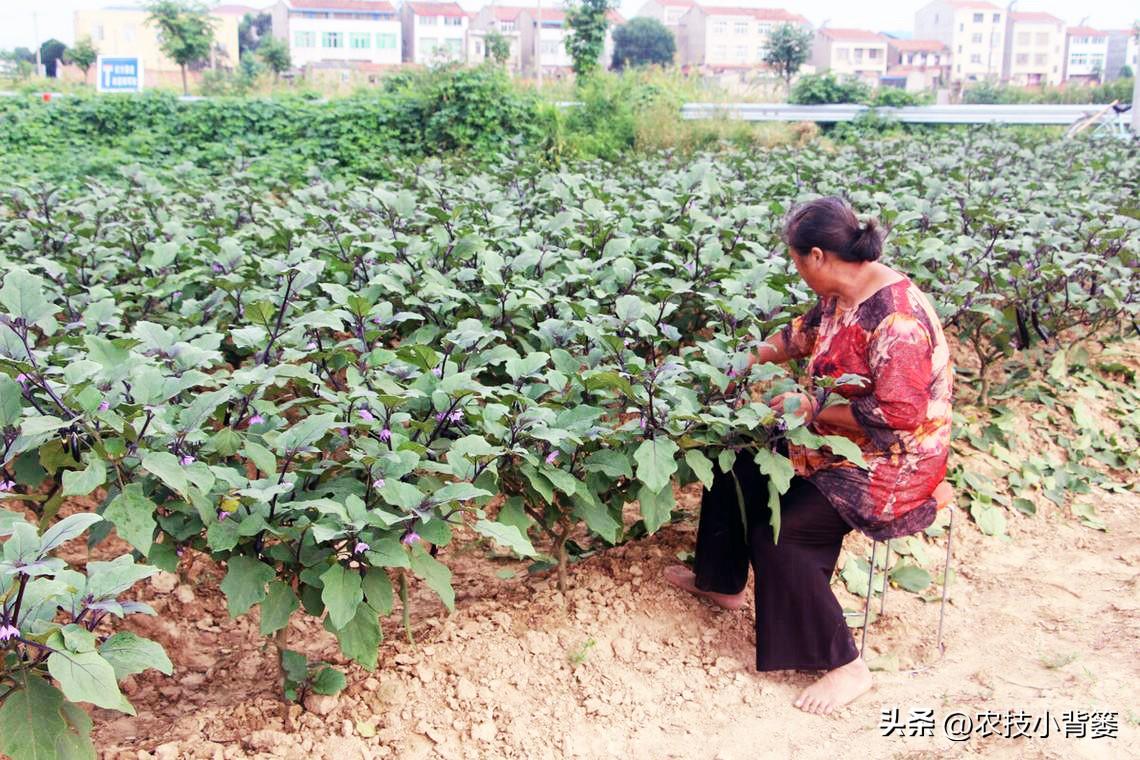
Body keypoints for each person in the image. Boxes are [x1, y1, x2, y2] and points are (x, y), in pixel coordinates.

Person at [664, 196, 953, 716]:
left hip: (891, 462)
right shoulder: (842, 293)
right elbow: (799, 336)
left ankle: (845, 665)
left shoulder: (897, 320)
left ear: (816, 255)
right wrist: (740, 360)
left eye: (796, 261)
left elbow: (900, 416)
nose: (797, 272)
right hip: (831, 437)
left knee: (783, 534)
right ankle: (721, 583)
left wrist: (814, 405)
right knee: (738, 456)